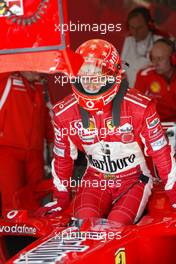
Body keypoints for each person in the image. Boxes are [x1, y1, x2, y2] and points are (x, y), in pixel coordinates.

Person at [51, 39, 176, 226]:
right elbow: (62, 158)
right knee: (83, 222)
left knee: (117, 224)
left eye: (98, 74)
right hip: (95, 179)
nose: (90, 82)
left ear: (112, 75)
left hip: (134, 180)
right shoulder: (64, 112)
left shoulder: (140, 107)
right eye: (85, 74)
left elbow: (162, 153)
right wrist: (59, 202)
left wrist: (174, 196)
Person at [0, 71, 54, 212]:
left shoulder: (41, 84)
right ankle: (10, 233)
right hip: (7, 149)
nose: (41, 71)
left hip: (35, 152)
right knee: (11, 200)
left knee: (35, 198)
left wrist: (53, 141)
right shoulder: (7, 78)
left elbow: (47, 117)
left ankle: (32, 232)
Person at [121, 6, 167, 87]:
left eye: (139, 28)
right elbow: (124, 64)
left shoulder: (160, 42)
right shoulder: (128, 41)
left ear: (149, 25)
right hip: (130, 91)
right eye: (132, 28)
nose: (135, 32)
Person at [135, 38, 176, 122]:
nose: (155, 63)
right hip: (153, 126)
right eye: (153, 58)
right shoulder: (144, 75)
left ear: (173, 59)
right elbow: (136, 108)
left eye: (160, 58)